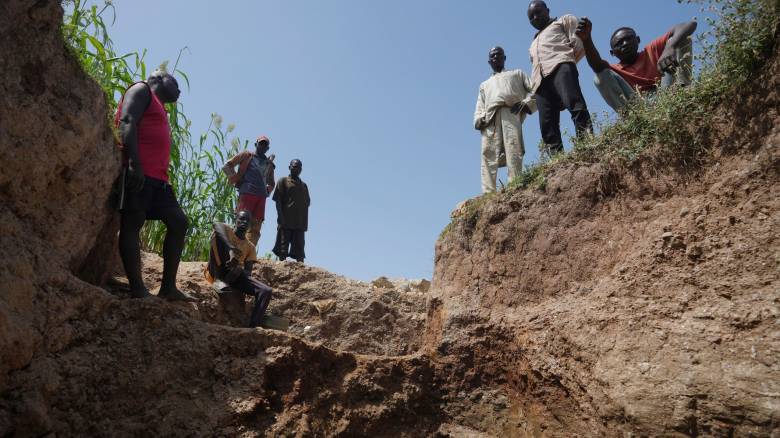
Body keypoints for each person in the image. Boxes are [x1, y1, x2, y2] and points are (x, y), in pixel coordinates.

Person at [115, 69, 195, 301]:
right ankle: (138, 289)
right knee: (133, 222)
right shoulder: (141, 90)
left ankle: (168, 288)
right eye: (176, 83)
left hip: (159, 180)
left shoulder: (159, 105)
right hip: (140, 172)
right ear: (159, 78)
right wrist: (133, 163)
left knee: (179, 222)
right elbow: (127, 120)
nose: (180, 90)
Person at [576, 17, 697, 112]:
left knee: (679, 39)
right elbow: (597, 66)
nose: (625, 43)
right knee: (600, 77)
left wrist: (669, 47)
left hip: (668, 91)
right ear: (612, 53)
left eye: (628, 38)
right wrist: (586, 39)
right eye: (619, 43)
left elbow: (690, 24)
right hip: (642, 106)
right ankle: (634, 119)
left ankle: (683, 92)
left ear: (638, 40)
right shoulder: (614, 70)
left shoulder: (652, 50)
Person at [527, 0, 592, 155]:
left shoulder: (563, 21)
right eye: (531, 17)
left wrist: (566, 63)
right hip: (540, 83)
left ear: (547, 10)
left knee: (576, 106)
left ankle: (586, 146)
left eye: (538, 12)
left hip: (561, 67)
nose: (535, 17)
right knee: (547, 125)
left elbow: (578, 45)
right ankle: (558, 160)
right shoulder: (533, 42)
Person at [474, 46, 537, 194]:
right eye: (493, 56)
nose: (496, 57)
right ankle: (488, 192)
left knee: (513, 148)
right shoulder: (484, 84)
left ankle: (515, 185)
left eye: (498, 54)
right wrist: (479, 119)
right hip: (490, 118)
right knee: (488, 154)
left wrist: (526, 103)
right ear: (489, 61)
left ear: (505, 57)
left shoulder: (517, 74)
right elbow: (480, 105)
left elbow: (535, 89)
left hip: (511, 113)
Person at [205, 211, 273, 328]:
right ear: (235, 219)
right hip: (217, 268)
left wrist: (239, 270)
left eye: (247, 221)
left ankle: (254, 325)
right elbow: (216, 225)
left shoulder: (250, 247)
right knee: (217, 235)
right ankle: (218, 280)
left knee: (266, 291)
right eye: (241, 219)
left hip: (234, 276)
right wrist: (231, 249)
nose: (244, 222)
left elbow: (248, 272)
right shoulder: (227, 230)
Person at [222, 136, 276, 246]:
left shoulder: (268, 164)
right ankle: (234, 251)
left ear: (267, 148)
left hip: (261, 197)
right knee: (241, 223)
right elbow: (227, 166)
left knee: (256, 227)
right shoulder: (246, 156)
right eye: (261, 144)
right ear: (256, 144)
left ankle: (248, 254)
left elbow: (271, 182)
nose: (262, 146)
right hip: (247, 193)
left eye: (265, 145)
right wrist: (236, 179)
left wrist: (267, 191)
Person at [272, 159, 310, 262]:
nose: (296, 169)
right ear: (289, 167)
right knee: (283, 247)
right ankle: (281, 264)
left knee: (299, 248)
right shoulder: (283, 181)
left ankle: (301, 268)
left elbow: (307, 202)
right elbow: (278, 200)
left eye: (298, 167)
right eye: (294, 166)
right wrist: (280, 216)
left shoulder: (304, 185)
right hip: (286, 219)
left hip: (300, 221)